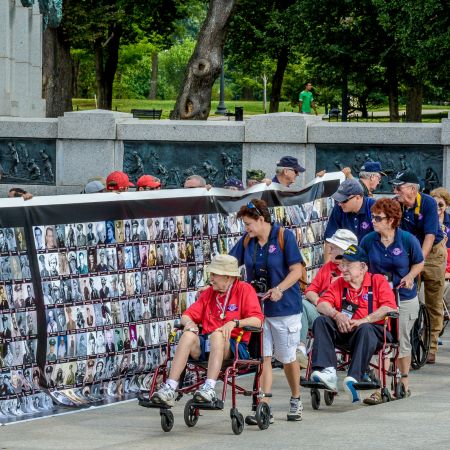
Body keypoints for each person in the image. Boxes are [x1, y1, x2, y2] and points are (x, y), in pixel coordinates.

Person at [151, 254, 263, 406]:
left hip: (234, 346)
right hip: (207, 344)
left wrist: (235, 323)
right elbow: (186, 316)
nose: (211, 278)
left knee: (217, 335)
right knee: (188, 335)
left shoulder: (245, 290)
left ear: (228, 277)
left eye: (215, 274)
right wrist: (190, 323)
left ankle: (209, 388)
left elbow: (257, 321)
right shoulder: (209, 293)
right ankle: (170, 387)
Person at [229, 199, 304, 422]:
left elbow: (297, 271)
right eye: (244, 225)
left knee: (288, 357)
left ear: (261, 220)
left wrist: (280, 288)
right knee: (265, 357)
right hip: (258, 309)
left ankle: (296, 398)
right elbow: (231, 262)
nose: (246, 229)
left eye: (249, 224)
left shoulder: (284, 236)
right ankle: (264, 405)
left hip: (285, 308)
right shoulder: (247, 241)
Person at [310, 245, 398, 403]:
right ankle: (328, 371)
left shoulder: (377, 281)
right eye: (342, 264)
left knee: (365, 328)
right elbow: (321, 304)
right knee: (321, 321)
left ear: (363, 267)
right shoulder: (339, 284)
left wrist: (363, 320)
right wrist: (336, 315)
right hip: (346, 331)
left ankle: (354, 378)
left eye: (348, 265)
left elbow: (389, 307)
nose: (343, 269)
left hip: (373, 333)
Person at [360, 198, 424, 403]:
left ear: (392, 220)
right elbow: (361, 265)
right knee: (380, 340)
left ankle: (403, 381)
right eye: (373, 217)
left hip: (403, 297)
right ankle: (379, 386)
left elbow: (419, 262)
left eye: (379, 218)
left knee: (401, 339)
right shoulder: (369, 240)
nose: (374, 221)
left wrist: (410, 276)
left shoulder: (407, 239)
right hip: (378, 298)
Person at [391, 170, 446, 364]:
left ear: (413, 189)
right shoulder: (396, 204)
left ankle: (431, 346)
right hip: (408, 252)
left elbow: (430, 236)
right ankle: (408, 340)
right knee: (407, 295)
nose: (395, 191)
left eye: (399, 187)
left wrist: (419, 262)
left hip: (431, 252)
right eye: (394, 187)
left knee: (433, 300)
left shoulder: (428, 203)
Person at [297, 229, 358, 368]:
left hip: (345, 317)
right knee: (301, 303)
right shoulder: (327, 267)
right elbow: (310, 291)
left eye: (334, 248)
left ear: (344, 251)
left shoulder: (355, 271)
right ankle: (300, 349)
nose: (329, 251)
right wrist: (321, 303)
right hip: (323, 313)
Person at [324, 179, 375, 261]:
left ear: (358, 197)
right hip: (345, 258)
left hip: (370, 258)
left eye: (344, 200)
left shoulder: (373, 208)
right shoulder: (338, 208)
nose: (340, 203)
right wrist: (326, 269)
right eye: (338, 200)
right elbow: (329, 238)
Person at [430, 187, 450, 320]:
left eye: (441, 204)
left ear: (447, 205)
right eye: (434, 204)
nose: (437, 207)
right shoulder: (426, 219)